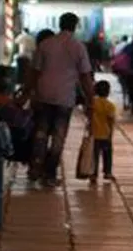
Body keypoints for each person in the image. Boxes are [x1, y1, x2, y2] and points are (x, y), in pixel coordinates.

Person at [20, 13, 95, 187]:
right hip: (64, 98)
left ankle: (35, 170)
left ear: (60, 24)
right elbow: (85, 77)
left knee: (40, 134)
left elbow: (34, 72)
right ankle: (50, 174)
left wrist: (25, 92)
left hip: (43, 95)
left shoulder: (46, 44)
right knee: (58, 137)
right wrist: (90, 99)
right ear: (75, 26)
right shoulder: (78, 47)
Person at [89, 79, 117, 185]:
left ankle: (93, 174)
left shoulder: (93, 103)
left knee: (94, 155)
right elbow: (110, 120)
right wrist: (111, 133)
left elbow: (88, 114)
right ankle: (107, 172)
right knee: (107, 154)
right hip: (105, 134)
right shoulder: (110, 105)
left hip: (94, 134)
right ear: (108, 92)